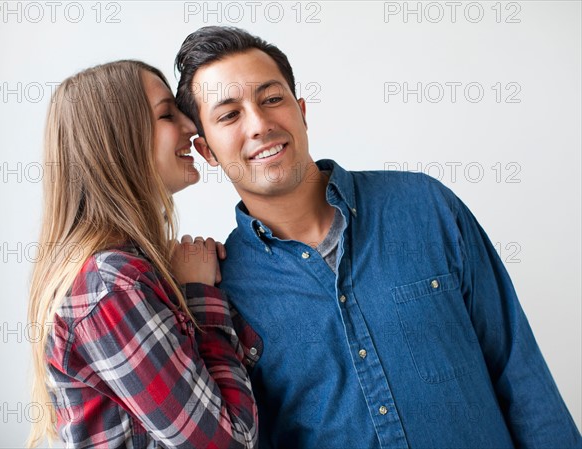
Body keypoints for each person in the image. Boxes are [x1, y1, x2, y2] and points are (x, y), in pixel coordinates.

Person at [174, 26, 582, 448]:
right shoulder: (222, 290)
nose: (259, 124)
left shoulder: (426, 207)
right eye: (229, 115)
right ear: (206, 151)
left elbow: (520, 372)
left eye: (271, 99)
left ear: (301, 110)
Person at [27, 60, 259, 449]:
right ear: (116, 140)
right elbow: (228, 442)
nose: (192, 127)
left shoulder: (131, 271)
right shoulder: (111, 285)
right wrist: (200, 295)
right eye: (168, 114)